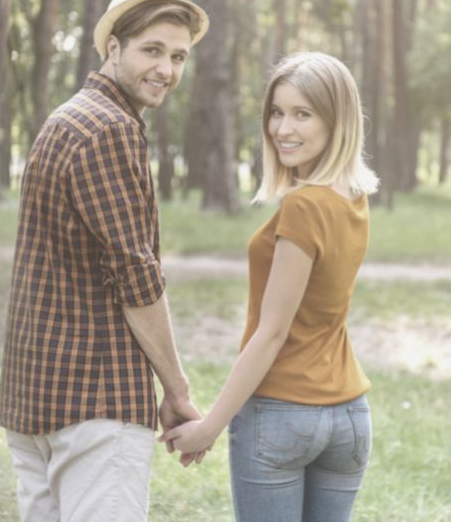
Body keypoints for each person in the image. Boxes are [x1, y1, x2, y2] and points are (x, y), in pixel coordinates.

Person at [0, 0, 209, 522]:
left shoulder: (67, 118)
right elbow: (137, 279)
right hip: (93, 401)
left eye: (179, 56)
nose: (167, 69)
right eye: (153, 50)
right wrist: (177, 390)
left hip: (35, 396)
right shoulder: (109, 128)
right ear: (113, 47)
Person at [161, 52, 379, 522]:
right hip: (350, 419)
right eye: (277, 113)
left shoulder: (305, 207)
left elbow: (273, 332)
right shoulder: (355, 199)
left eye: (302, 114)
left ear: (336, 120)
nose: (283, 128)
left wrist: (210, 427)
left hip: (283, 416)